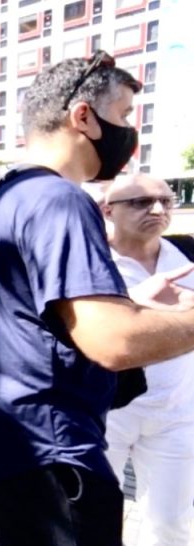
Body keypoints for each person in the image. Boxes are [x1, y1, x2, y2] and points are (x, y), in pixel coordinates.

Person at [0, 50, 194, 546]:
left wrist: (130, 304)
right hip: (51, 460)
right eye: (123, 115)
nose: (129, 131)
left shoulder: (2, 197)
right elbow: (113, 342)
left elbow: (32, 320)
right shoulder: (60, 199)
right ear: (83, 115)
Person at [100, 174, 194, 546]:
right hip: (107, 413)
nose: (157, 209)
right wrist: (136, 304)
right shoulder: (89, 262)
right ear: (108, 210)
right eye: (140, 202)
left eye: (166, 201)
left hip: (177, 412)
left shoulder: (187, 253)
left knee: (172, 523)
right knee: (96, 517)